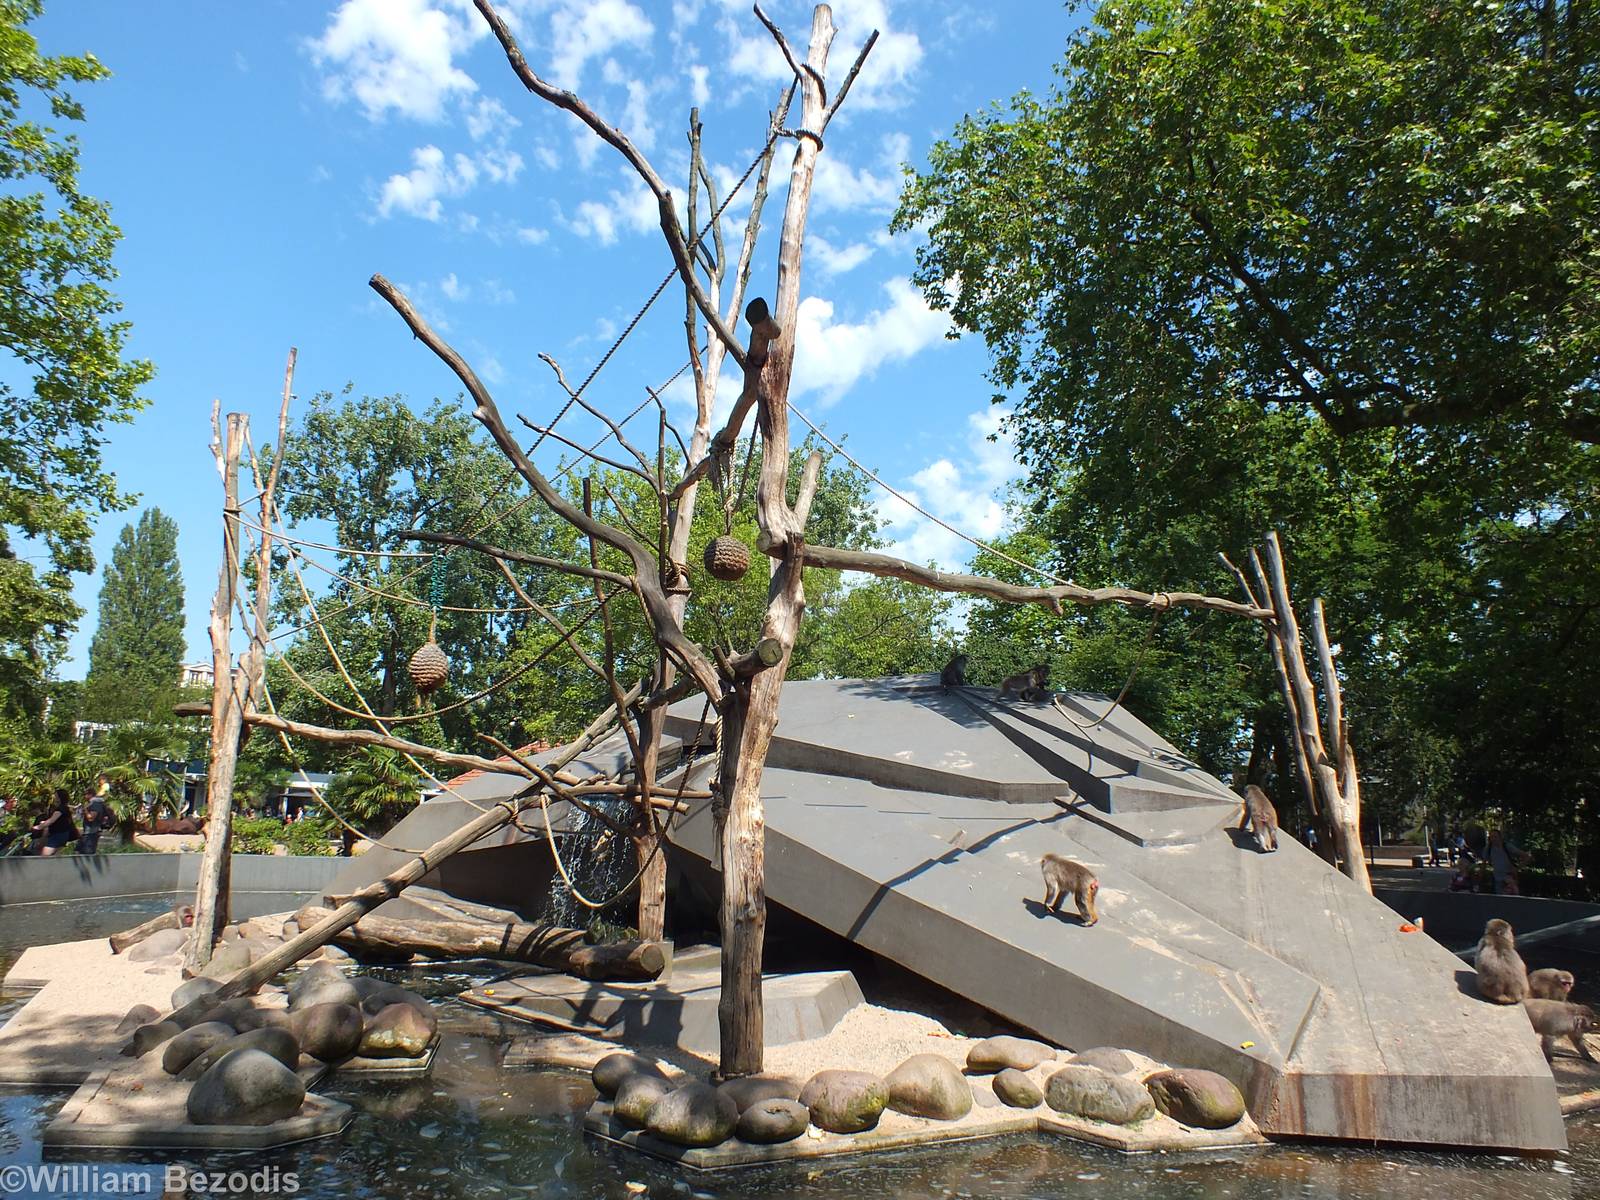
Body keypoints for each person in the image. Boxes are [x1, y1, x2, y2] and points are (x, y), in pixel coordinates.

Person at [31, 789, 79, 857]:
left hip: (58, 836)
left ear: (59, 798)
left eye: (55, 796)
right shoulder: (64, 808)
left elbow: (51, 821)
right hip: (60, 835)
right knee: (52, 855)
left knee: (44, 856)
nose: (54, 797)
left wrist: (38, 827)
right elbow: (58, 821)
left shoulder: (60, 809)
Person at [1487, 828, 1529, 895]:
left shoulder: (1507, 847)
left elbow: (1526, 856)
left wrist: (1517, 868)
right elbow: (1484, 861)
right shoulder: (1489, 848)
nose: (1493, 839)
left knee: (1510, 900)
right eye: (1491, 837)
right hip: (1497, 879)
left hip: (1509, 879)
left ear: (1500, 837)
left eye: (1495, 837)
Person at [79, 776, 112, 855]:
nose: (84, 796)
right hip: (88, 832)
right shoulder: (92, 803)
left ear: (90, 795)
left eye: (85, 794)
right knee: (80, 852)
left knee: (88, 853)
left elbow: (91, 818)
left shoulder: (95, 803)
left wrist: (85, 810)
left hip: (91, 832)